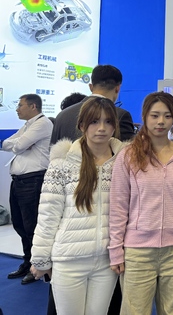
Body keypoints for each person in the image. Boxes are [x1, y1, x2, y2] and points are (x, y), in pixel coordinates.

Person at [30, 98, 125, 314]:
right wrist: (41, 258)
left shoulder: (124, 163)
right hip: (69, 260)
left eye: (108, 122)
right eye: (94, 121)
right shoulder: (61, 164)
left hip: (106, 262)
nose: (101, 128)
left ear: (114, 126)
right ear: (82, 125)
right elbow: (48, 215)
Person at [109, 92, 173, 315]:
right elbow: (118, 206)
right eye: (155, 115)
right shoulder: (128, 155)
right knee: (135, 311)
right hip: (138, 250)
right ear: (145, 117)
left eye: (167, 116)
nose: (161, 122)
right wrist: (116, 250)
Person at [2, 94, 53, 285]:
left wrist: (20, 144)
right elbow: (7, 143)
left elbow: (18, 146)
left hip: (33, 181)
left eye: (20, 105)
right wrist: (20, 144)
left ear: (33, 106)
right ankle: (27, 261)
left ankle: (37, 265)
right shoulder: (28, 125)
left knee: (32, 227)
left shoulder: (43, 123)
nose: (17, 108)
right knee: (19, 224)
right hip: (19, 181)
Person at [51, 65, 135, 144]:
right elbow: (128, 152)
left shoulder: (62, 115)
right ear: (118, 88)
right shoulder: (120, 115)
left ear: (91, 87)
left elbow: (52, 150)